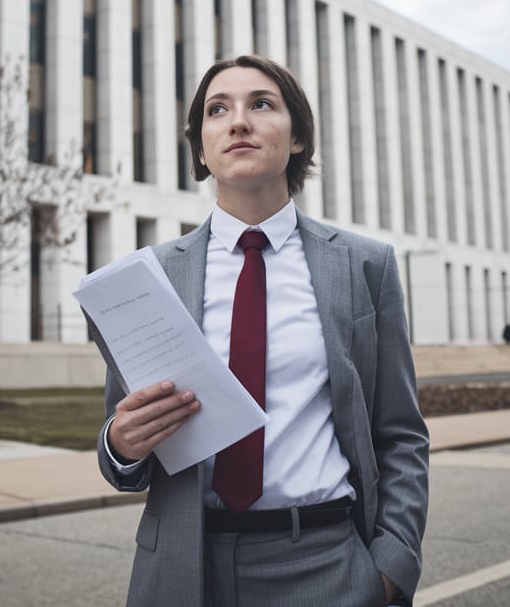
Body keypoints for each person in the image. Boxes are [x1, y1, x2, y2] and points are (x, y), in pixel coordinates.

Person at [90, 54, 429, 606]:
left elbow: (401, 433)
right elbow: (122, 451)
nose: (238, 121)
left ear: (297, 137)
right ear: (201, 148)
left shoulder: (365, 268)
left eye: (261, 104)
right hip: (184, 570)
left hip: (329, 566)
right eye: (217, 110)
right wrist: (121, 444)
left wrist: (391, 567)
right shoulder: (151, 277)